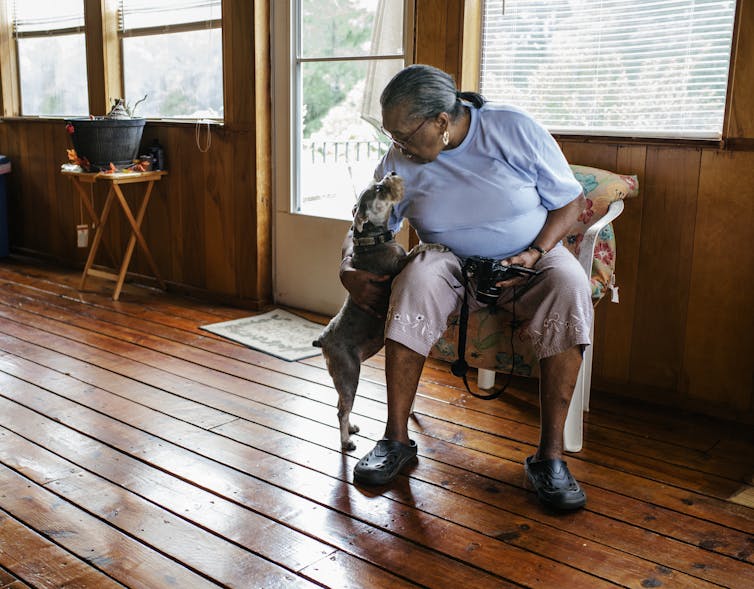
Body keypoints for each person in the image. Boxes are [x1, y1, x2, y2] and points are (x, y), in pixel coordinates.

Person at [339, 64, 590, 511]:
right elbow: (367, 222)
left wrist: (535, 251)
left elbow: (570, 200)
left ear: (441, 121)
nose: (396, 146)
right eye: (390, 135)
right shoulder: (401, 160)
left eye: (404, 134)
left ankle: (549, 459)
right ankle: (396, 439)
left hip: (531, 254)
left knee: (570, 283)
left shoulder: (509, 128)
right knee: (417, 275)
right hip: (449, 260)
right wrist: (347, 268)